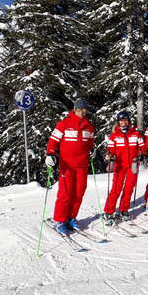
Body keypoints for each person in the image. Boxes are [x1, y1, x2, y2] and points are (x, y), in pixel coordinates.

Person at [45, 98, 95, 234]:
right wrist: (50, 154)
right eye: (79, 110)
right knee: (66, 193)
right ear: (75, 110)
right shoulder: (64, 124)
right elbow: (53, 141)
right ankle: (60, 220)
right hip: (66, 165)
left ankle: (71, 217)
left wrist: (92, 151)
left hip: (82, 165)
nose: (82, 113)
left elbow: (90, 144)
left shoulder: (89, 126)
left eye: (84, 110)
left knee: (79, 192)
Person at [102, 111, 145, 225]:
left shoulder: (135, 134)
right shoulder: (114, 136)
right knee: (116, 189)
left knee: (129, 188)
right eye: (121, 121)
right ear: (118, 123)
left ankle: (123, 209)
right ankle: (109, 211)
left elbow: (142, 147)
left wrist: (141, 155)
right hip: (119, 165)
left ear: (129, 121)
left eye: (125, 120)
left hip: (133, 165)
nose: (123, 123)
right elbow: (110, 150)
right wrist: (109, 155)